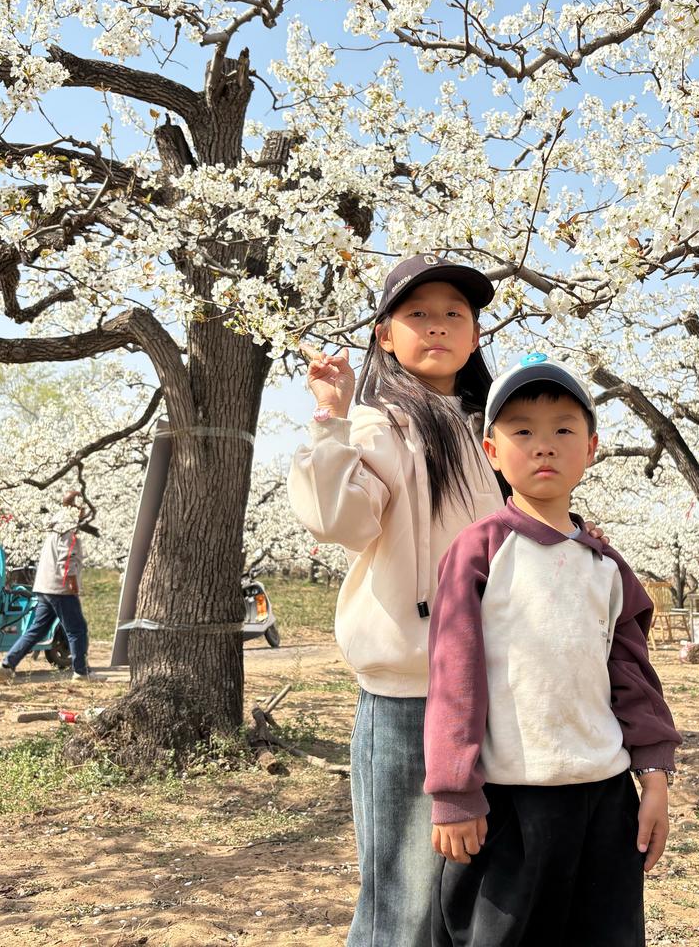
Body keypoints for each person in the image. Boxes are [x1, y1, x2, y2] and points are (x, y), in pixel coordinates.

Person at [424, 354, 681, 947]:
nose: (543, 446)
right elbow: (454, 675)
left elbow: (633, 676)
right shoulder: (480, 551)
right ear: (491, 451)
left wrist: (654, 777)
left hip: (604, 797)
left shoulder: (606, 565)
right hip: (510, 800)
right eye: (522, 431)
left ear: (590, 449)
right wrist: (456, 791)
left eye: (563, 430)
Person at [289, 254, 507, 947]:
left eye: (454, 315)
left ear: (475, 335)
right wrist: (330, 417)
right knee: (404, 901)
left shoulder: (495, 428)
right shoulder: (380, 424)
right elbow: (340, 522)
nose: (437, 327)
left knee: (470, 897)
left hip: (496, 686)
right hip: (412, 692)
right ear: (385, 335)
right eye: (418, 315)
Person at [0, 491, 104, 682]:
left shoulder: (55, 526)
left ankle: (6, 666)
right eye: (83, 507)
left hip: (44, 586)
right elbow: (66, 558)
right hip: (60, 587)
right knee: (77, 629)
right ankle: (81, 671)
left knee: (38, 629)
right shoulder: (68, 527)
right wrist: (72, 583)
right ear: (76, 507)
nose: (85, 511)